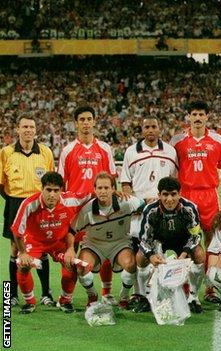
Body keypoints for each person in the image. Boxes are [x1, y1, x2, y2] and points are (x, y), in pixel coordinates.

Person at [58, 105, 117, 302]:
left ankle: (106, 294)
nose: (85, 123)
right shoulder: (68, 150)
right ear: (76, 123)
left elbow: (112, 180)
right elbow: (60, 183)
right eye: (81, 119)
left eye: (88, 119)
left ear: (94, 121)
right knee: (71, 252)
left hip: (100, 208)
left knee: (105, 248)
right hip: (75, 210)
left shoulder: (105, 149)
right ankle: (67, 297)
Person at [11, 172, 90, 314]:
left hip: (58, 242)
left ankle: (65, 301)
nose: (52, 195)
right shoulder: (29, 204)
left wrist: (115, 192)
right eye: (48, 190)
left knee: (70, 264)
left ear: (61, 190)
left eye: (56, 190)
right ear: (42, 189)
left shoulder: (71, 199)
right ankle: (30, 302)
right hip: (34, 241)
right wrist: (22, 253)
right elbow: (17, 231)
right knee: (23, 266)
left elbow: (94, 193)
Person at [0, 117, 55, 307]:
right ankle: (12, 294)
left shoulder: (45, 152)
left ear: (36, 130)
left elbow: (51, 183)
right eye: (24, 126)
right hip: (14, 203)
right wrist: (15, 201)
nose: (28, 130)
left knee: (41, 249)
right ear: (18, 129)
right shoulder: (6, 153)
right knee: (15, 250)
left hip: (38, 205)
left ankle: (46, 293)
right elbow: (1, 184)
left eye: (31, 127)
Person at [133, 177, 206, 314]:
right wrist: (151, 255)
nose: (169, 199)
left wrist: (184, 253)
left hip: (182, 242)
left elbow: (195, 236)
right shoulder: (150, 210)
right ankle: (144, 297)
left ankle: (193, 298)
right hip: (159, 242)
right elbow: (144, 239)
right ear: (159, 195)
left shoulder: (190, 208)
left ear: (179, 194)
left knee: (199, 254)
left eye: (173, 194)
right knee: (140, 257)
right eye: (165, 194)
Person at [72, 173, 144, 309]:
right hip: (94, 244)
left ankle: (124, 296)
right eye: (99, 188)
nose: (103, 191)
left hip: (120, 243)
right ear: (94, 190)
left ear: (113, 189)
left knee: (130, 265)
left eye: (106, 188)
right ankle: (92, 295)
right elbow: (72, 230)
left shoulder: (126, 202)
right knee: (82, 267)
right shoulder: (87, 210)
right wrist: (70, 249)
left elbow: (143, 206)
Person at [170, 100, 221, 230]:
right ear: (189, 116)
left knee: (211, 234)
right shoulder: (177, 141)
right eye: (194, 114)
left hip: (210, 195)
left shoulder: (217, 140)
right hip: (186, 193)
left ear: (207, 116)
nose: (197, 118)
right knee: (186, 235)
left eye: (201, 114)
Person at [120, 116, 178, 247]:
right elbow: (125, 182)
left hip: (163, 208)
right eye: (147, 127)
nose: (150, 130)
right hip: (139, 210)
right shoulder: (131, 151)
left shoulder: (170, 151)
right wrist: (134, 204)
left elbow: (174, 182)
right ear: (142, 130)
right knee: (138, 250)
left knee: (161, 250)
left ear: (160, 129)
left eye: (154, 127)